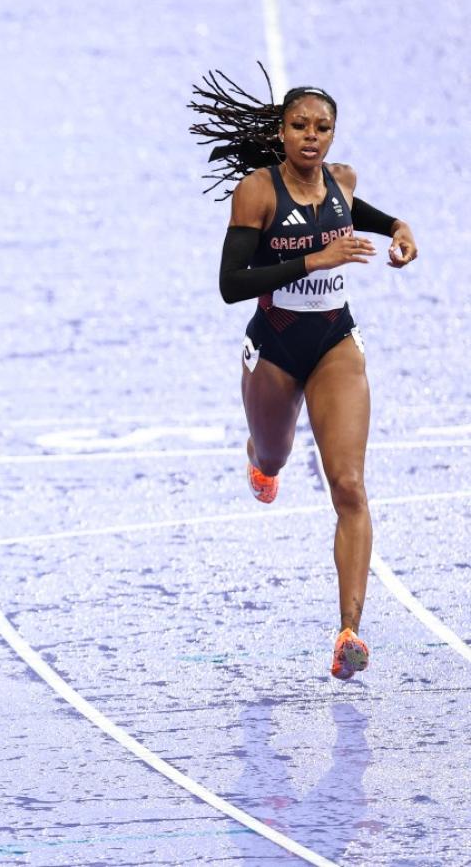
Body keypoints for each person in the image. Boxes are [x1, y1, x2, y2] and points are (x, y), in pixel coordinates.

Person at [190, 70, 417, 679]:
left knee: (348, 486)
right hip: (274, 346)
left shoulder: (342, 185)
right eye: (299, 126)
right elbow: (230, 285)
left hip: (334, 343)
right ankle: (259, 460)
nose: (311, 137)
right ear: (282, 132)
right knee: (276, 455)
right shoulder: (258, 193)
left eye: (322, 127)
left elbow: (365, 214)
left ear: (333, 134)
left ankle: (349, 632)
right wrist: (315, 258)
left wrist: (398, 230)